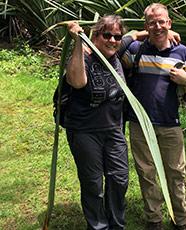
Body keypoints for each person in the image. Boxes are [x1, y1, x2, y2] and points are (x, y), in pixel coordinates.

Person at [121, 3, 186, 230]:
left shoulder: (181, 52)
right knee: (147, 174)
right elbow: (115, 46)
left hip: (170, 123)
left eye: (162, 21)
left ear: (169, 23)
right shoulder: (135, 50)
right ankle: (154, 220)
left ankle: (180, 220)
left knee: (176, 173)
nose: (158, 26)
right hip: (140, 123)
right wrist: (144, 34)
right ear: (146, 26)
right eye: (152, 22)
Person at [64, 16, 128, 230]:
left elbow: (134, 35)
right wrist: (77, 41)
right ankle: (99, 227)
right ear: (95, 35)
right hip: (85, 131)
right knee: (93, 184)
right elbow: (77, 81)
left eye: (117, 36)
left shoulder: (116, 52)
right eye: (106, 35)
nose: (112, 40)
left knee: (119, 179)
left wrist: (165, 32)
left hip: (113, 129)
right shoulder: (83, 56)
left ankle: (116, 224)